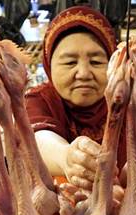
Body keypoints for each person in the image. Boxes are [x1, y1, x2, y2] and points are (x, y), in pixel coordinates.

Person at [26, 6, 119, 193]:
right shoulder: (38, 100)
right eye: (70, 62)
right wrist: (65, 157)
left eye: (96, 62)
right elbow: (38, 139)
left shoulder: (124, 102)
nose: (84, 74)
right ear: (48, 65)